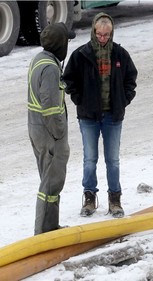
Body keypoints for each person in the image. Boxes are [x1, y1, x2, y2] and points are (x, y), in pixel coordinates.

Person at [63, 13, 138, 218]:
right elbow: (68, 80)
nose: (103, 38)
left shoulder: (120, 55)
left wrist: (124, 100)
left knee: (112, 160)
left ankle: (115, 199)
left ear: (111, 33)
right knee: (90, 159)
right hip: (88, 117)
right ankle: (89, 198)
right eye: (99, 34)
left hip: (113, 117)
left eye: (106, 35)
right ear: (93, 32)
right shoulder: (81, 55)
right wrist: (80, 99)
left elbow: (131, 79)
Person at [28, 22, 75, 235]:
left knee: (49, 182)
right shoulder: (50, 68)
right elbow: (49, 105)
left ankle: (50, 228)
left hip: (37, 128)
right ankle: (43, 234)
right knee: (50, 185)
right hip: (49, 132)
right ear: (60, 45)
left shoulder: (39, 60)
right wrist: (59, 133)